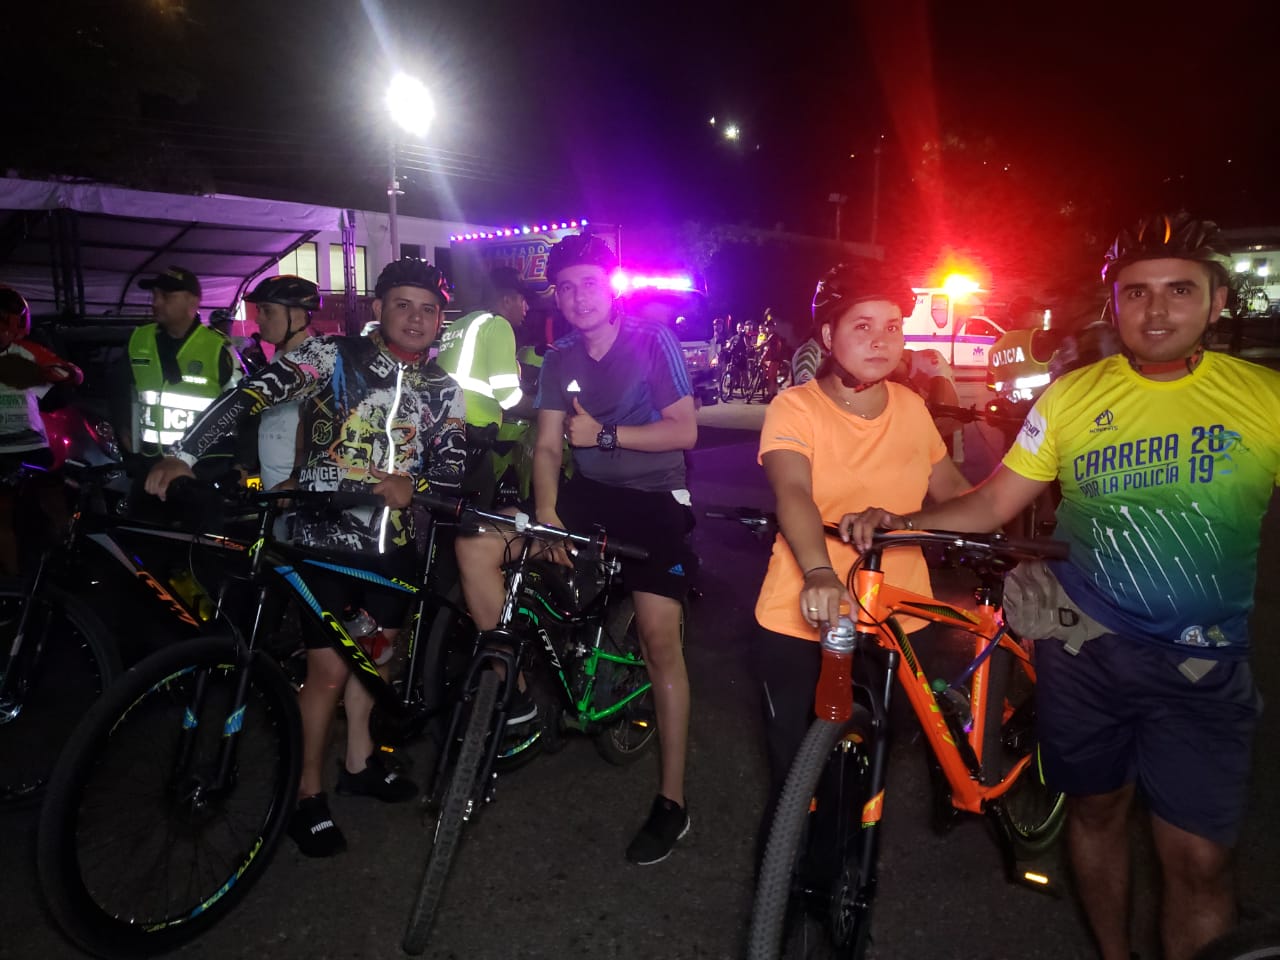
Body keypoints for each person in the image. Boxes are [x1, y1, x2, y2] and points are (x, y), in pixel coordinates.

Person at [843, 212, 1276, 960]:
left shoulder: (1262, 397)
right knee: (1097, 813)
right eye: (1136, 292)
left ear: (1217, 302)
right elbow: (992, 502)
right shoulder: (1071, 397)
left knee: (1200, 860)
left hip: (1201, 668)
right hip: (1085, 652)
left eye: (1179, 289)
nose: (1156, 309)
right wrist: (900, 522)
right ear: (1115, 305)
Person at [146, 257, 467, 857]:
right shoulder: (332, 356)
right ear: (379, 309)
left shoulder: (445, 389)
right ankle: (306, 794)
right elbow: (252, 393)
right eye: (402, 304)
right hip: (322, 541)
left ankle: (359, 763)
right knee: (327, 674)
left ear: (440, 320)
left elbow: (451, 471)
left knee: (377, 660)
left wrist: (415, 486)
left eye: (428, 309)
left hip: (394, 548)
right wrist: (183, 453)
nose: (415, 318)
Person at [751, 261, 969, 855]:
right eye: (863, 325)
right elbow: (793, 493)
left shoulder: (912, 406)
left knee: (878, 749)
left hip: (899, 615)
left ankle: (848, 856)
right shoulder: (796, 407)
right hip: (803, 610)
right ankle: (790, 870)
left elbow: (954, 493)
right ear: (828, 336)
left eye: (893, 326)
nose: (881, 340)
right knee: (794, 765)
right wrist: (819, 572)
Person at [532, 232, 698, 865]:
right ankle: (520, 701)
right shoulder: (559, 356)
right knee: (495, 549)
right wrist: (546, 514)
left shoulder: (652, 341)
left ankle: (672, 802)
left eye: (590, 284)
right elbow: (548, 445)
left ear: (612, 287)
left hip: (656, 498)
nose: (579, 297)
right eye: (566, 287)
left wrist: (604, 436)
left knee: (659, 641)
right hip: (590, 494)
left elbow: (684, 431)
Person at [0, 285, 83, 574]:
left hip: (31, 446)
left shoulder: (27, 353)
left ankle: (68, 562)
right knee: (5, 518)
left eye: (6, 322)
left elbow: (70, 378)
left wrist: (52, 375)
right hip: (7, 450)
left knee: (53, 505)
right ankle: (14, 583)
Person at [125, 267, 241, 459]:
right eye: (154, 295)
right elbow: (121, 389)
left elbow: (242, 406)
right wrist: (123, 428)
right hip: (149, 461)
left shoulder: (218, 348)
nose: (156, 302)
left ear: (192, 302)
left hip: (202, 463)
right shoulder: (139, 340)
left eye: (166, 296)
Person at [238, 275, 321, 490]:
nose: (258, 319)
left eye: (268, 311)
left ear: (298, 316)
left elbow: (320, 431)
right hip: (275, 490)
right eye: (259, 310)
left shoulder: (315, 365)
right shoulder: (279, 360)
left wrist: (297, 477)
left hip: (300, 492)